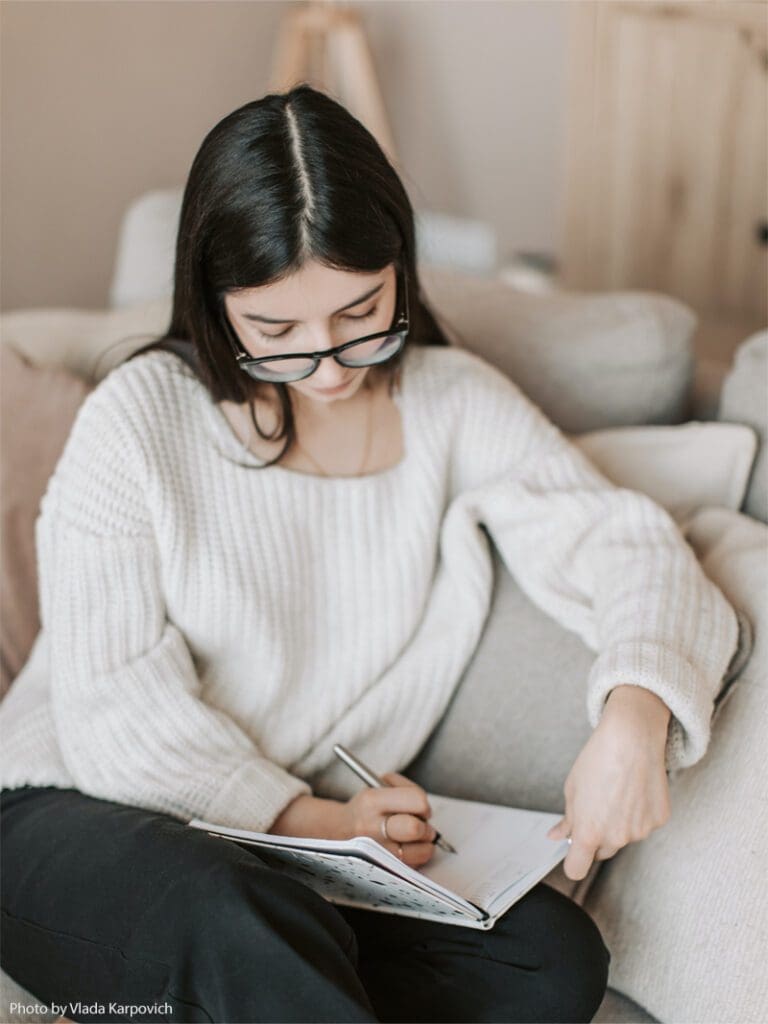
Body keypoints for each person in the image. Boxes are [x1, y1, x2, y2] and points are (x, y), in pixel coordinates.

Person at [0, 85, 739, 1024]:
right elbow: (114, 719)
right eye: (277, 335)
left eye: (360, 314)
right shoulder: (138, 421)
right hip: (74, 811)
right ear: (216, 303)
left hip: (297, 855)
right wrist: (322, 822)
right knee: (232, 916)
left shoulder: (453, 403)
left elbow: (627, 541)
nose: (332, 368)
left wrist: (633, 717)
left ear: (399, 265)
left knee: (548, 959)